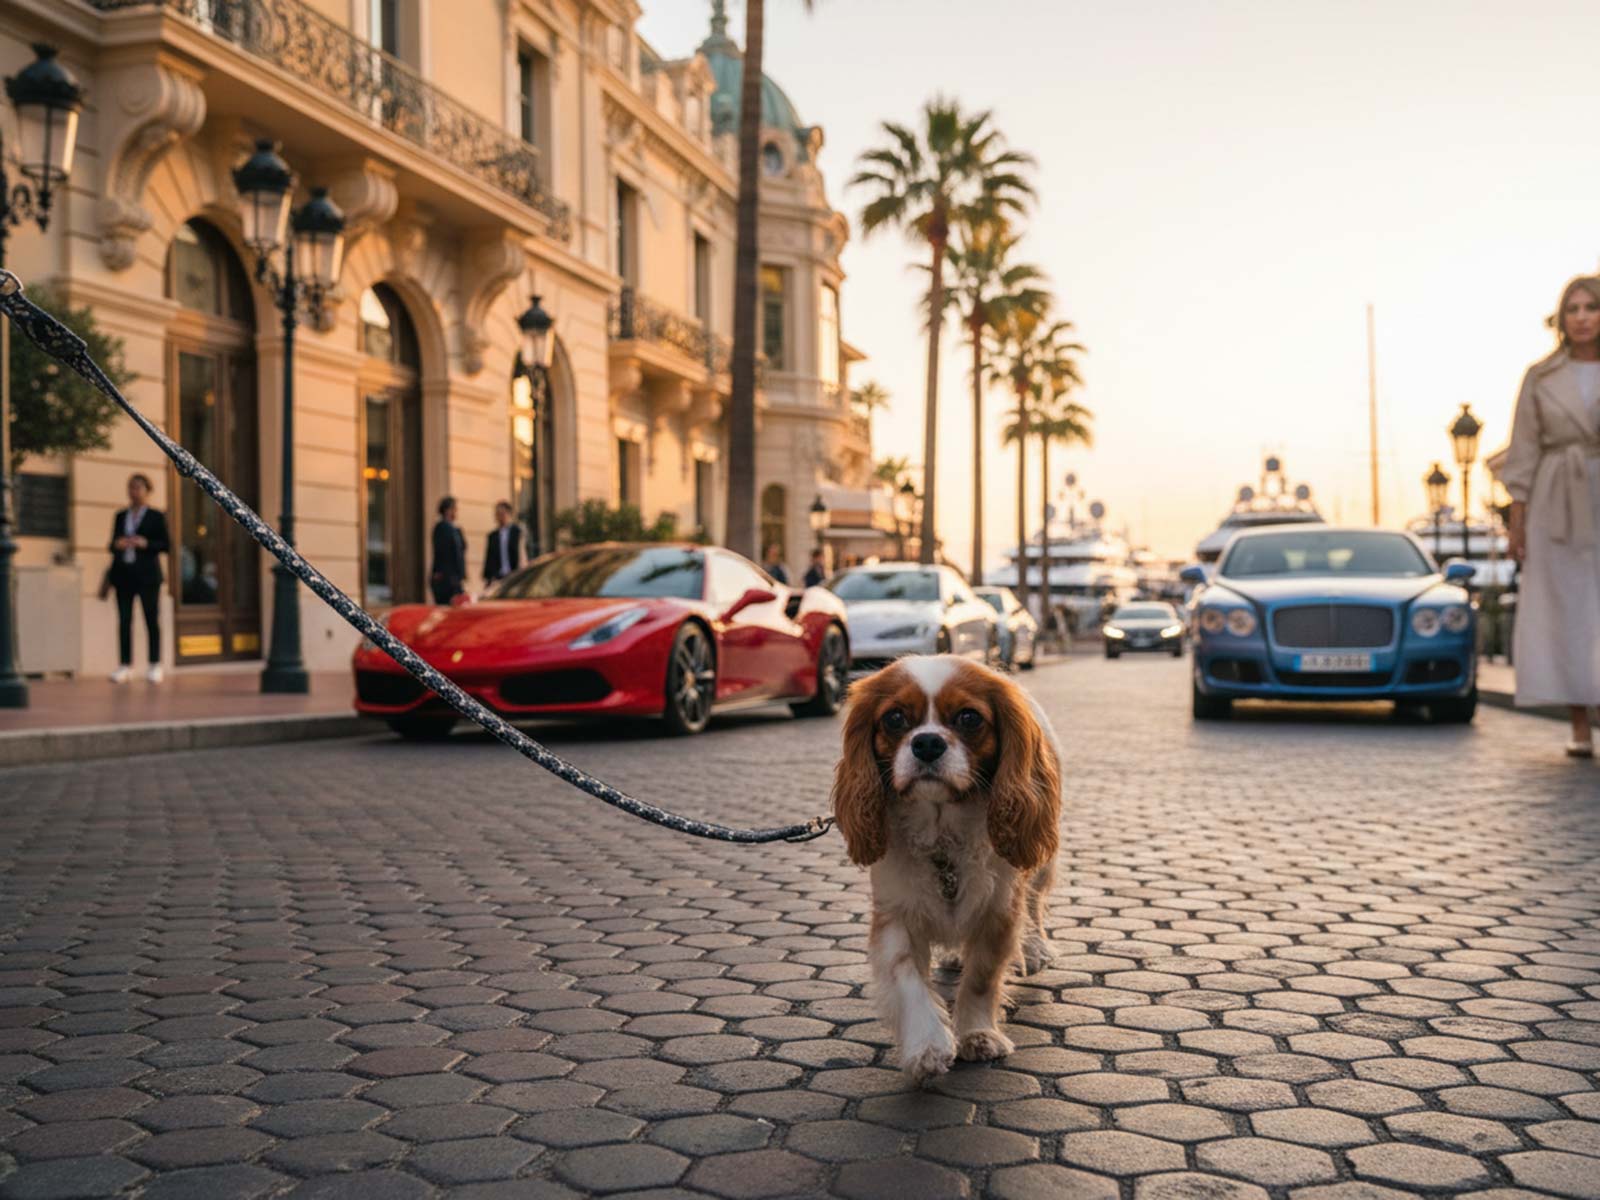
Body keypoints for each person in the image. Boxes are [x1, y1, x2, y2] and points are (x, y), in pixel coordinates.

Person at [1504, 275, 1600, 757]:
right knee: (1569, 610)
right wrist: (1516, 523)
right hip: (1556, 502)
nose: (1581, 316)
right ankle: (1579, 724)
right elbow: (1522, 453)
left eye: (1591, 307)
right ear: (1561, 319)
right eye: (1573, 309)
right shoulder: (1540, 378)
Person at [107, 472, 169, 684]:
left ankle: (155, 664)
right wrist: (118, 544)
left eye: (138, 488)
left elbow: (166, 544)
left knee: (151, 619)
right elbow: (111, 544)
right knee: (124, 621)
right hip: (124, 575)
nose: (133, 492)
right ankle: (125, 665)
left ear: (147, 491)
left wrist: (146, 543)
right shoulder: (120, 516)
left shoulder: (156, 516)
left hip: (148, 577)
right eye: (131, 487)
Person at [430, 496, 468, 605]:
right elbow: (441, 552)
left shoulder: (456, 530)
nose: (456, 512)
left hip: (456, 578)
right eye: (454, 509)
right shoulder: (441, 528)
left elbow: (461, 551)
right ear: (447, 510)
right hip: (446, 579)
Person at [483, 500, 523, 587]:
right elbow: (489, 558)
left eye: (502, 513)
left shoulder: (517, 532)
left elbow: (522, 554)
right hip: (499, 576)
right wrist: (488, 578)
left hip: (515, 574)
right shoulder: (492, 536)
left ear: (509, 514)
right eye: (497, 514)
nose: (500, 517)